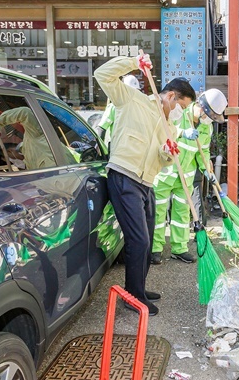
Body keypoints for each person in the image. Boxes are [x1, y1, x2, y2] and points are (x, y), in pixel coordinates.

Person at [94, 55, 196, 316]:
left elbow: (162, 162)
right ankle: (133, 297)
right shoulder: (132, 99)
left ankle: (137, 287)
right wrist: (132, 62)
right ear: (171, 96)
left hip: (146, 183)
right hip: (123, 176)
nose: (181, 113)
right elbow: (102, 75)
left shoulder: (169, 126)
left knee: (148, 241)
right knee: (137, 240)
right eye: (182, 107)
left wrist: (166, 153)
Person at [151, 88, 228, 265]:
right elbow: (161, 134)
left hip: (184, 177)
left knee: (182, 214)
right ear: (201, 107)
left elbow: (204, 152)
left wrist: (208, 171)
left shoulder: (206, 128)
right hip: (164, 174)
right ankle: (155, 249)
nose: (209, 120)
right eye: (209, 115)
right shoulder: (179, 113)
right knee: (158, 212)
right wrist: (181, 133)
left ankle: (179, 249)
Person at [96, 72, 140, 146]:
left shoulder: (138, 107)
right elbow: (101, 129)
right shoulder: (114, 106)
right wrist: (99, 149)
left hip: (134, 147)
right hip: (117, 147)